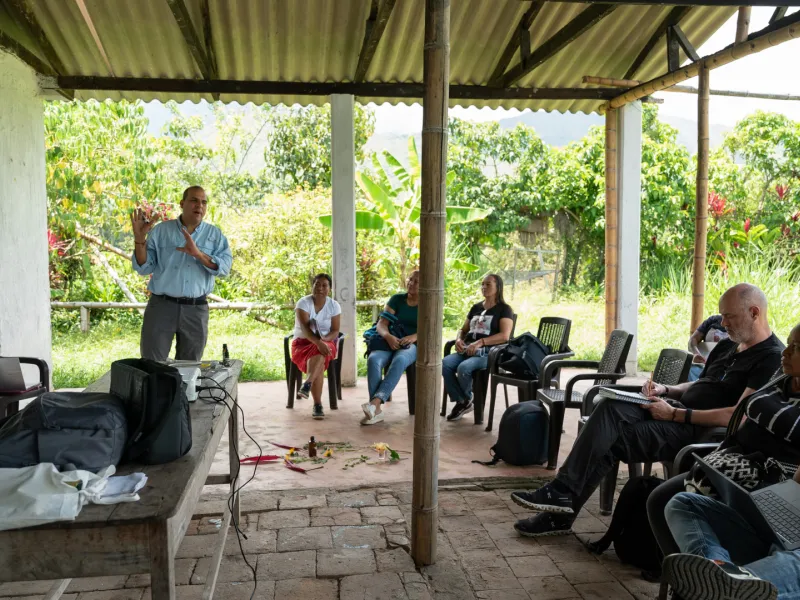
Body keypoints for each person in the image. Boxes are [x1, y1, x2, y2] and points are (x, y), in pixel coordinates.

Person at [509, 283, 784, 538]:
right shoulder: (728, 344)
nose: (722, 324)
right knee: (608, 405)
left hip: (701, 430)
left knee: (610, 438)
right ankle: (561, 495)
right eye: (721, 316)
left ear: (754, 313)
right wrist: (667, 390)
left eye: (729, 317)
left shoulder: (770, 357)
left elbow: (737, 416)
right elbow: (704, 383)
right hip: (677, 410)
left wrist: (676, 414)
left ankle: (560, 502)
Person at [660, 326, 800, 600]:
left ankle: (725, 587)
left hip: (790, 537)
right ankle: (718, 573)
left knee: (790, 556)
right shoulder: (781, 378)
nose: (786, 351)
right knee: (683, 503)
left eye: (796, 347)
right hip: (780, 513)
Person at [131, 186, 232, 361]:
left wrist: (198, 254)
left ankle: (184, 390)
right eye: (194, 200)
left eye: (203, 202)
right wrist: (139, 239)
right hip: (161, 307)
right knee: (152, 365)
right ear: (182, 203)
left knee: (189, 369)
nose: (199, 205)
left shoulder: (214, 235)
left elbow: (224, 268)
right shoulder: (162, 231)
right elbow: (144, 267)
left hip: (196, 309)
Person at [443, 274, 514, 422]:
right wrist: (458, 339)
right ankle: (464, 400)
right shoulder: (476, 307)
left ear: (498, 287)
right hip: (467, 349)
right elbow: (463, 329)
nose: (484, 287)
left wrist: (481, 342)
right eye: (482, 284)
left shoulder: (504, 309)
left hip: (489, 353)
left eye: (488, 284)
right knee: (444, 364)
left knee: (464, 368)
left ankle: (465, 400)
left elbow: (505, 336)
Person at [361, 270, 420, 426]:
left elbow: (430, 329)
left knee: (400, 359)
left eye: (416, 281)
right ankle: (376, 410)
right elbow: (382, 324)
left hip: (411, 344)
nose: (411, 283)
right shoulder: (397, 299)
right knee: (373, 359)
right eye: (410, 279)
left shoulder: (427, 304)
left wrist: (414, 337)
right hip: (389, 341)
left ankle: (374, 404)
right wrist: (388, 337)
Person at [291, 274, 341, 420]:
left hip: (326, 341)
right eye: (317, 284)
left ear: (329, 289)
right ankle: (317, 404)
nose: (320, 288)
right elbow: (306, 331)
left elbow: (335, 330)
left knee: (322, 351)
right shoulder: (303, 303)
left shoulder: (334, 305)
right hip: (303, 342)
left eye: (324, 285)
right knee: (319, 354)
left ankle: (307, 384)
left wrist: (324, 340)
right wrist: (319, 343)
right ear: (312, 286)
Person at [687, 314, 729, 381]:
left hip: (725, 371)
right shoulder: (712, 320)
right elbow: (693, 339)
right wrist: (696, 353)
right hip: (703, 366)